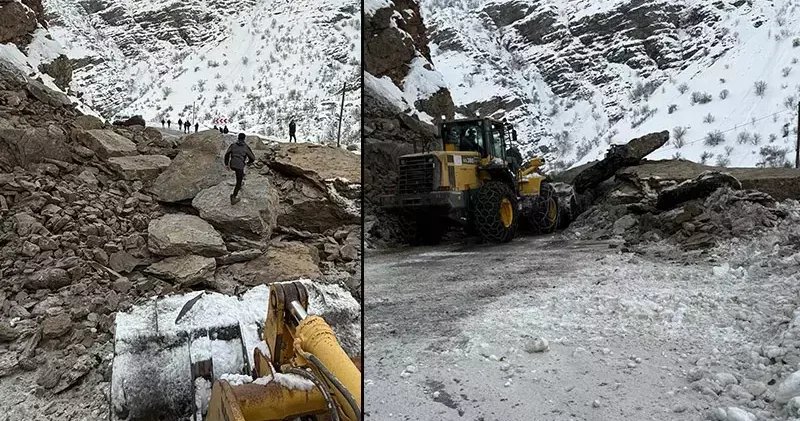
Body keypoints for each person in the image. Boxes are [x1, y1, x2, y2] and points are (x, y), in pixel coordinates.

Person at [224, 133, 255, 205]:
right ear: (244, 138)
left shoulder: (233, 145)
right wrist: (248, 163)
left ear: (238, 138)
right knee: (239, 181)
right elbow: (253, 158)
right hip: (240, 166)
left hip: (232, 165)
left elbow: (227, 154)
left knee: (239, 173)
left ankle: (240, 180)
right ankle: (234, 197)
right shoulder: (245, 147)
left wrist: (226, 164)